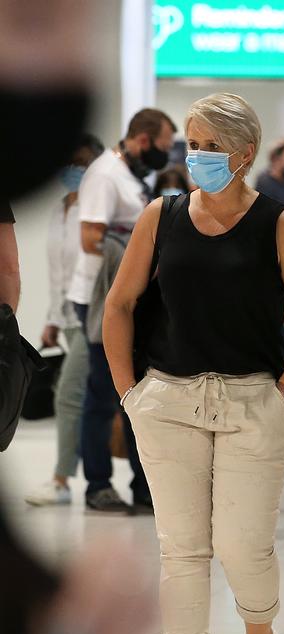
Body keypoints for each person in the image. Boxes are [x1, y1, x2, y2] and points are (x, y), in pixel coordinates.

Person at [103, 93, 284, 634]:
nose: (195, 155)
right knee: (182, 550)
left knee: (242, 545)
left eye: (209, 145)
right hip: (168, 400)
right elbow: (120, 304)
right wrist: (130, 393)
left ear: (244, 154)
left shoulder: (281, 225)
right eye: (191, 141)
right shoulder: (162, 215)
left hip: (250, 401)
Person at [66, 107, 174, 513]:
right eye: (164, 145)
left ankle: (143, 489)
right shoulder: (105, 174)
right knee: (103, 394)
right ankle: (97, 485)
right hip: (101, 297)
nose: (167, 154)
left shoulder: (129, 176)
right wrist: (137, 257)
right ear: (143, 140)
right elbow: (91, 237)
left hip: (130, 296)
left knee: (135, 393)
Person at [24, 134, 105, 507]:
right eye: (69, 161)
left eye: (82, 162)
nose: (74, 169)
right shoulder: (60, 209)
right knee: (84, 397)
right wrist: (51, 319)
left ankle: (61, 480)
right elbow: (59, 272)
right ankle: (90, 476)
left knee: (68, 394)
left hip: (93, 316)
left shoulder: (97, 210)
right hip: (67, 319)